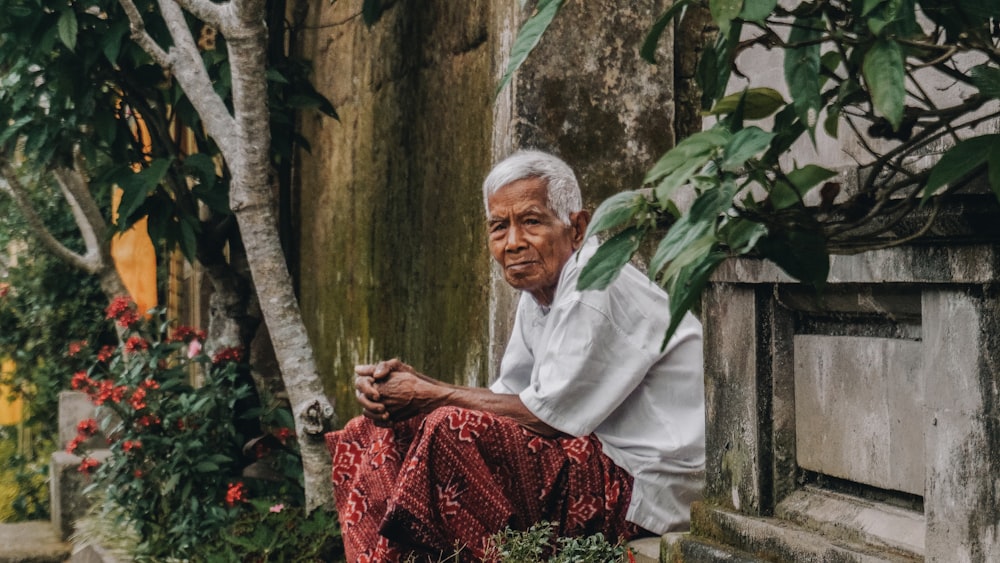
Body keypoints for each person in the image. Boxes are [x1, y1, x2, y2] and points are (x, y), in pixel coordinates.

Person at [326, 150, 705, 562]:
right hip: (598, 461)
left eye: (531, 221)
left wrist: (429, 395)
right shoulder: (541, 291)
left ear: (576, 226)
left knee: (449, 430)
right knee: (375, 429)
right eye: (498, 227)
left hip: (647, 487)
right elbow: (506, 400)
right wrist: (417, 389)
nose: (513, 243)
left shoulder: (596, 283)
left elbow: (543, 417)